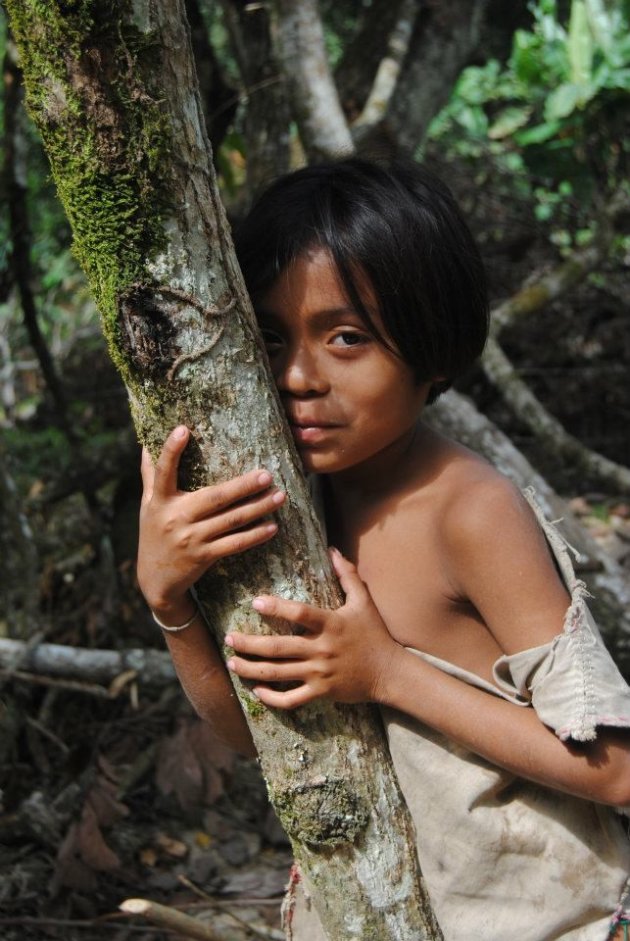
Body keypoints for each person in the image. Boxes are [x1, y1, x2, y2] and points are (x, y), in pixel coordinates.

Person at [137, 158, 630, 940]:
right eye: (270, 337)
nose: (299, 376)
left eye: (346, 338)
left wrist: (389, 673)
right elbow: (253, 734)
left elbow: (616, 768)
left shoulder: (468, 512)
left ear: (432, 349)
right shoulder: (289, 504)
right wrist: (167, 600)